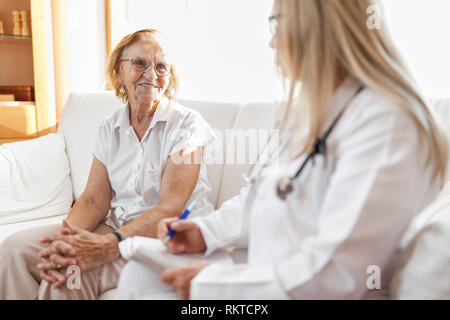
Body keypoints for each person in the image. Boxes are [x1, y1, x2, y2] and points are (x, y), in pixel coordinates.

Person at [115, 0, 448, 300]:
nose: (272, 42)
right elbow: (264, 195)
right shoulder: (313, 112)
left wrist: (212, 285)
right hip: (272, 281)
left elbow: (337, 273)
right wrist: (204, 231)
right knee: (140, 275)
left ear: (317, 26)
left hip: (308, 292)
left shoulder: (386, 122)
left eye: (277, 23)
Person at [0, 29, 217, 299]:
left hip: (166, 240)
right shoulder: (109, 127)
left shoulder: (188, 125)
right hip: (116, 227)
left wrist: (106, 244)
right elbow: (93, 200)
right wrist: (65, 240)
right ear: (119, 70)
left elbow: (170, 209)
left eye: (161, 66)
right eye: (140, 63)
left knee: (72, 272)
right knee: (12, 250)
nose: (151, 73)